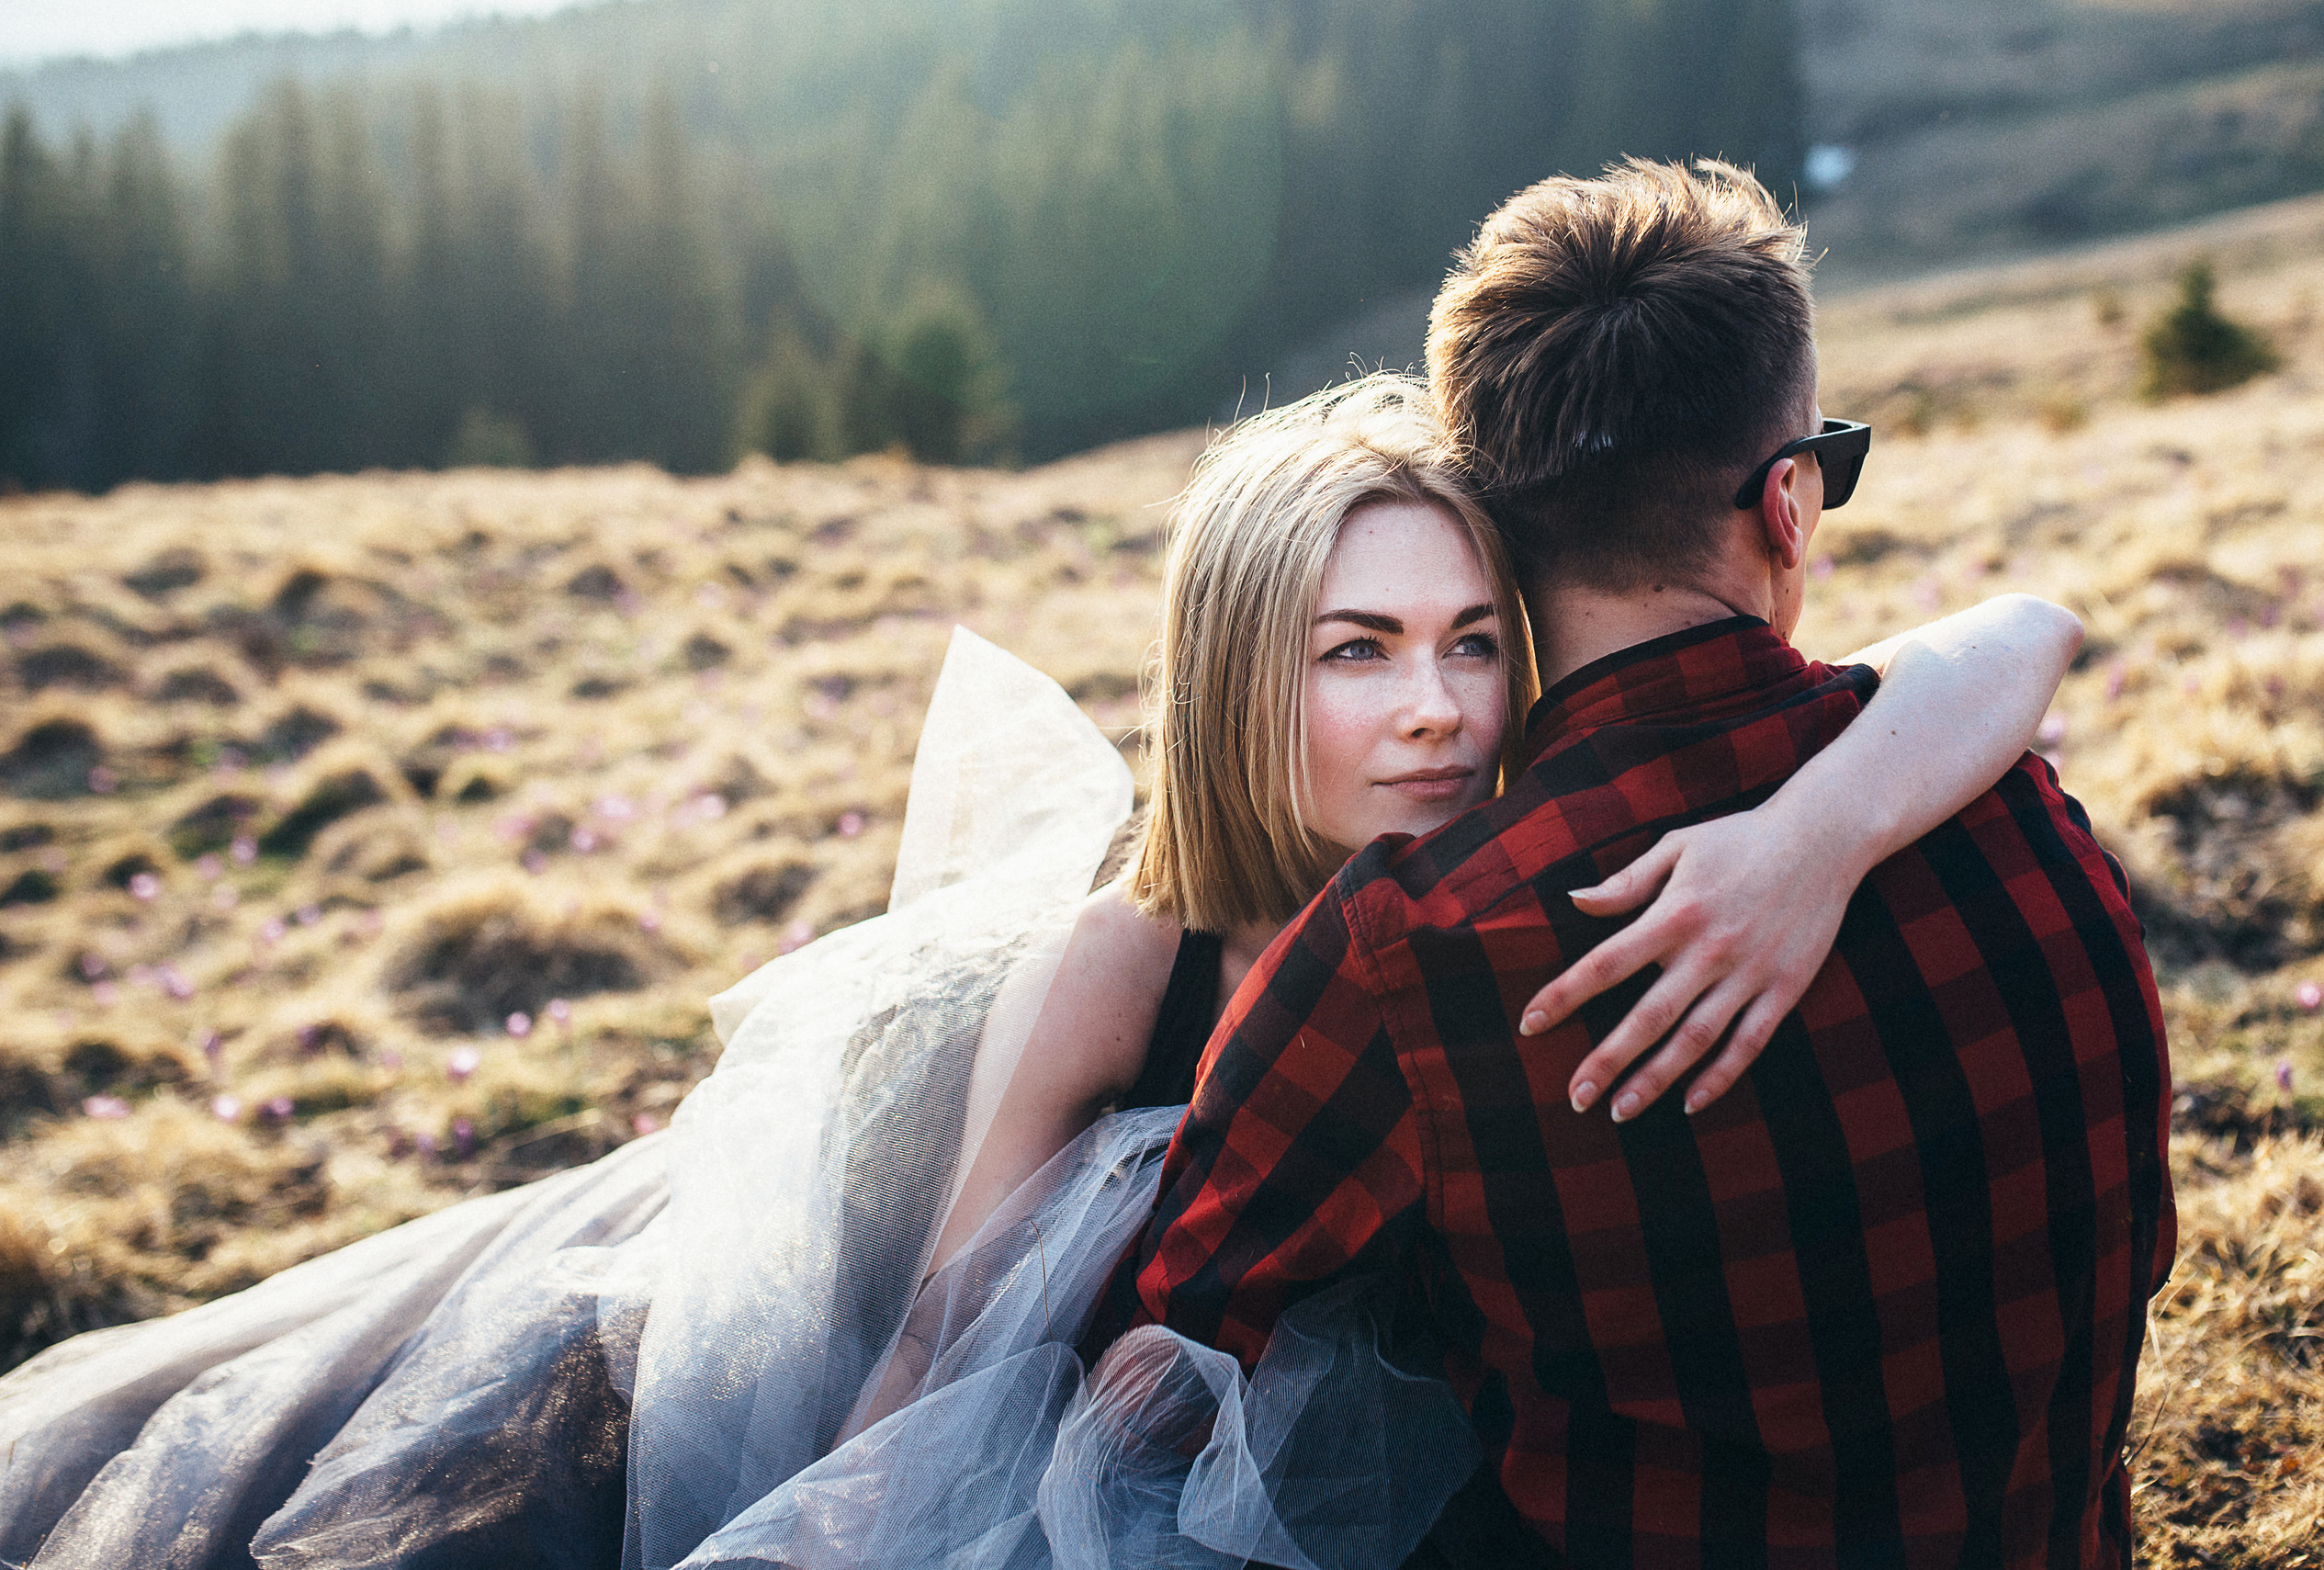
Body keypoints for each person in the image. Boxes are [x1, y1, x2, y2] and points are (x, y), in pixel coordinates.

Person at [0, 373, 2077, 1570]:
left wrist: (1820, 830)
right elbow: (933, 1332)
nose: (1434, 708)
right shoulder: (1131, 955)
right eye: (1354, 651)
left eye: (1467, 639)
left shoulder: (1532, 839)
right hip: (1070, 1416)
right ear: (1237, 671)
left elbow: (2010, 644)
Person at [1112, 162, 2175, 1568]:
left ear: (1494, 531)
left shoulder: (1403, 955)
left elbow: (1159, 1384)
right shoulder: (2017, 810)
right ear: (1788, 504)